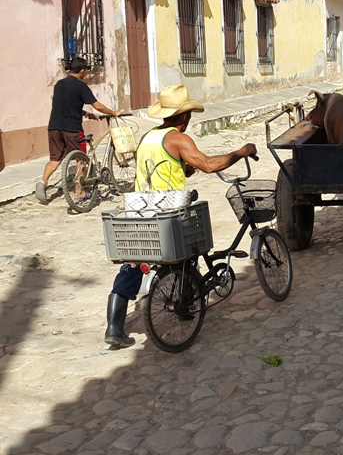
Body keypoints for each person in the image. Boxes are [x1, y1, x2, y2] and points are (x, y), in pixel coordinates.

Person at [104, 84, 257, 348]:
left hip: (141, 212)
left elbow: (164, 166)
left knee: (133, 264)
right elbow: (208, 165)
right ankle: (186, 306)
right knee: (190, 251)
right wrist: (240, 152)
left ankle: (114, 328)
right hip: (168, 212)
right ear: (185, 116)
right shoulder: (178, 138)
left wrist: (184, 168)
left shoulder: (149, 137)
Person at [35, 57, 121, 204]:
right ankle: (79, 192)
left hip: (54, 127)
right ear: (82, 71)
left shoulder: (59, 85)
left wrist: (87, 114)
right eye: (85, 71)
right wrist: (113, 112)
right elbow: (97, 105)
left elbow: (68, 104)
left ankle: (43, 182)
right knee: (81, 159)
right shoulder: (80, 86)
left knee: (55, 158)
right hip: (72, 129)